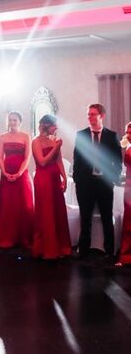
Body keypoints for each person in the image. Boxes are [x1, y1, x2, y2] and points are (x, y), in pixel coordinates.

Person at [73, 103, 122, 259]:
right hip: (85, 184)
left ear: (102, 116)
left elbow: (117, 160)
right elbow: (77, 159)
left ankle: (109, 251)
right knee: (85, 217)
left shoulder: (111, 136)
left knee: (107, 217)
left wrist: (113, 177)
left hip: (104, 183)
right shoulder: (81, 135)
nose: (90, 117)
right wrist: (77, 179)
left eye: (93, 114)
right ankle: (84, 250)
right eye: (88, 114)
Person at [31, 115, 71, 259]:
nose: (56, 128)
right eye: (54, 125)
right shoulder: (36, 141)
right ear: (46, 125)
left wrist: (64, 178)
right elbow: (42, 162)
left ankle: (61, 248)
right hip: (43, 179)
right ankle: (47, 249)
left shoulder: (54, 140)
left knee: (58, 211)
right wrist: (56, 147)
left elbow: (59, 161)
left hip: (55, 179)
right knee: (46, 212)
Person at [0, 111, 34, 250]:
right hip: (7, 174)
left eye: (15, 120)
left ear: (20, 122)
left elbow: (27, 157)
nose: (12, 122)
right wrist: (4, 172)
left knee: (23, 205)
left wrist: (19, 173)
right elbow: (0, 157)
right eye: (10, 120)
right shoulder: (2, 137)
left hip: (21, 174)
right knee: (7, 206)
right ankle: (7, 238)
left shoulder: (26, 136)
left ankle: (23, 238)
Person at [117, 121, 131, 266]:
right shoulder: (128, 145)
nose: (128, 135)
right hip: (128, 186)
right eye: (127, 132)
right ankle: (126, 256)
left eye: (130, 132)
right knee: (128, 221)